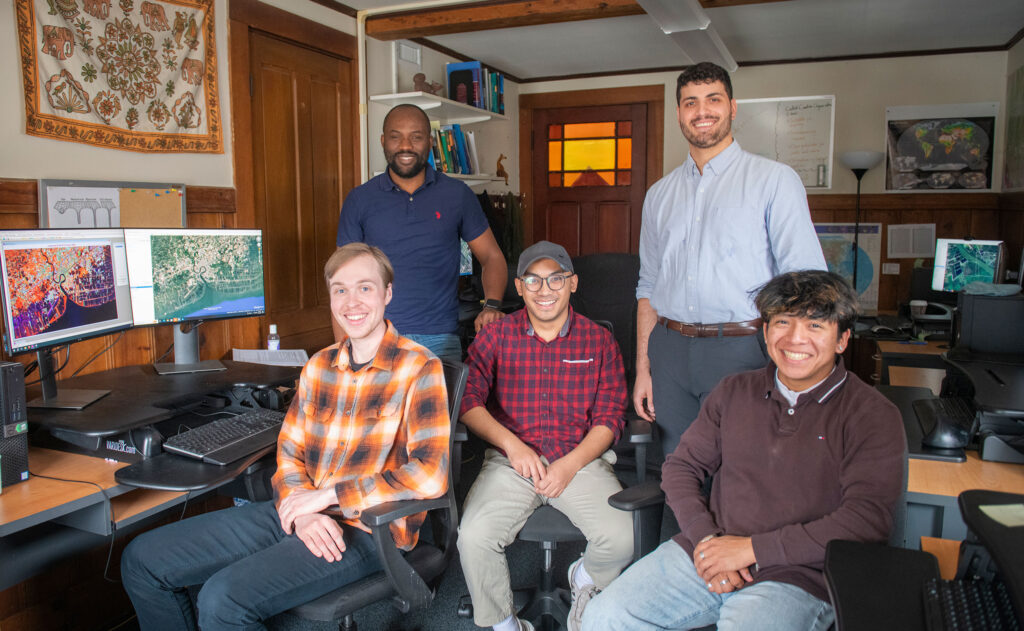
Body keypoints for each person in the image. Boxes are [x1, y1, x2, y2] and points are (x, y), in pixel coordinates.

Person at [120, 243, 451, 631]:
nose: (351, 301)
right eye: (339, 290)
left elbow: (431, 474)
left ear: (387, 293)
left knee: (222, 600)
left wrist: (330, 496)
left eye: (365, 287)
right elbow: (289, 453)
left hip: (368, 529)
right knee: (142, 559)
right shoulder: (318, 366)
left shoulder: (419, 367)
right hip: (301, 511)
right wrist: (302, 508)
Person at [582, 270, 906, 631]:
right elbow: (681, 468)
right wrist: (707, 541)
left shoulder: (872, 414)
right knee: (603, 617)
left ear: (842, 339)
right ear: (765, 332)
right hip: (708, 551)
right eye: (783, 322)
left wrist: (751, 551)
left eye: (815, 326)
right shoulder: (734, 391)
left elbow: (867, 520)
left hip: (798, 575)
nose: (795, 339)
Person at [633, 61, 827, 458]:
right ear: (679, 113)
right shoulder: (658, 195)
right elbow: (648, 284)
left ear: (733, 108)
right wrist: (643, 368)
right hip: (668, 351)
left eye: (713, 99)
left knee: (745, 466)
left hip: (744, 348)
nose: (702, 111)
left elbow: (806, 284)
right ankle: (687, 526)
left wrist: (798, 367)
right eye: (690, 102)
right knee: (680, 465)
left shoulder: (774, 180)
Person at [457, 241, 634, 631]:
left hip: (578, 458)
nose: (544, 290)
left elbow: (609, 416)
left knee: (624, 537)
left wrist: (570, 465)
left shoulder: (598, 340)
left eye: (555, 279)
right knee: (473, 536)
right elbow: (468, 402)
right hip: (512, 461)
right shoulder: (496, 337)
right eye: (533, 281)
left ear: (572, 283)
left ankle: (583, 579)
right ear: (518, 288)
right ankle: (506, 624)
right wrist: (512, 445)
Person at [336, 103, 508, 364]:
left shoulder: (457, 195)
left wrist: (492, 306)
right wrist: (343, 349)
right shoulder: (360, 199)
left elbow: (492, 257)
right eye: (396, 136)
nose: (405, 146)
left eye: (416, 137)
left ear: (429, 142)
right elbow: (341, 282)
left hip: (439, 341)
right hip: (373, 338)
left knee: (441, 407)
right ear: (384, 141)